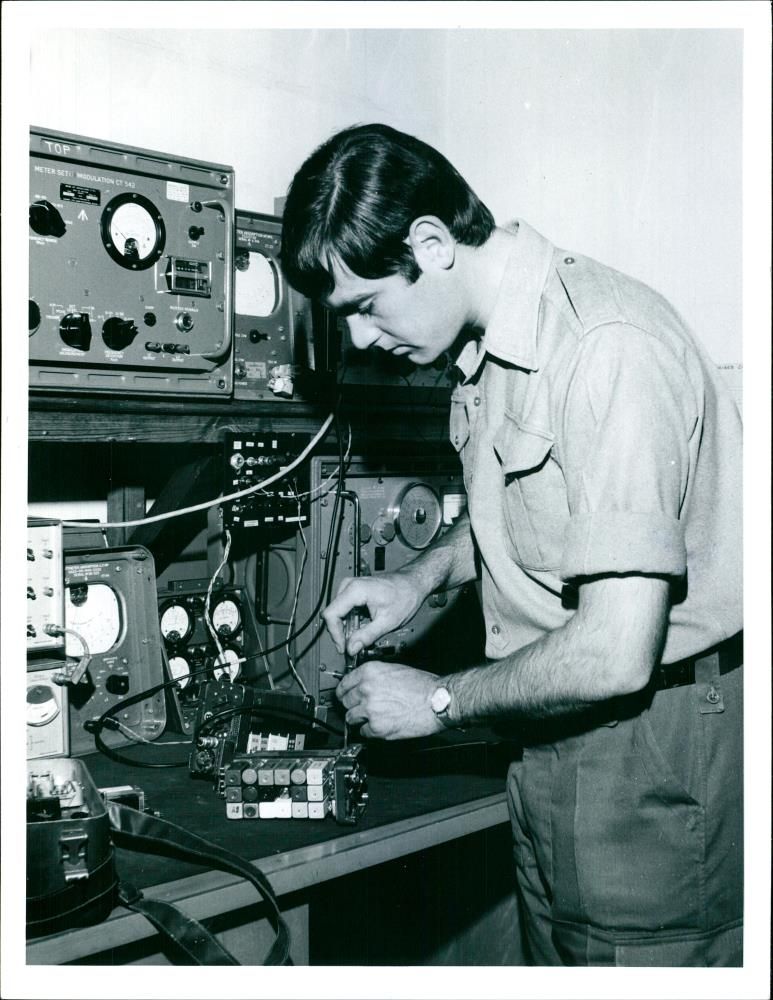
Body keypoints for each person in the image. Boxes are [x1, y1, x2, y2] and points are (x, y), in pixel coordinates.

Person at [280, 123, 743, 967]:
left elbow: (612, 653)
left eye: (363, 305)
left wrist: (438, 702)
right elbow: (530, 510)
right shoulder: (495, 349)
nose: (357, 341)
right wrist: (420, 580)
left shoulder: (604, 347)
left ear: (430, 244)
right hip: (550, 740)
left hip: (650, 759)